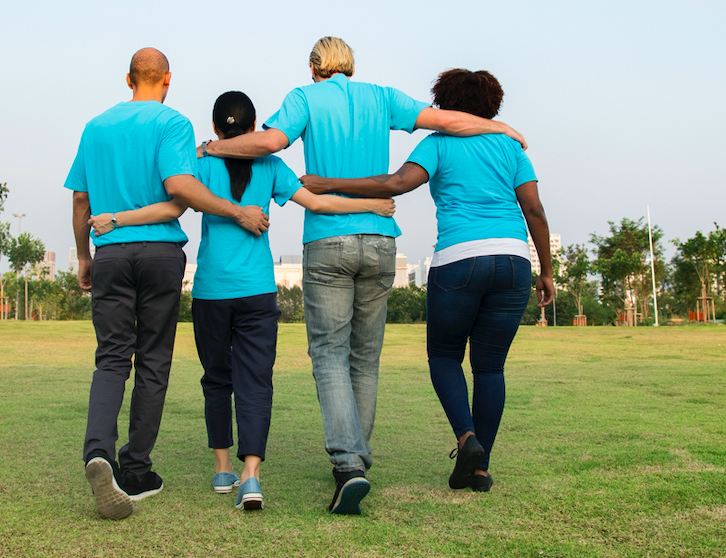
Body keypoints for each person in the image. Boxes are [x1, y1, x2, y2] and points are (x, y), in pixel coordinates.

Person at [199, 37, 527, 514]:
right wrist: (501, 127)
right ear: (350, 64)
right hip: (381, 240)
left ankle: (348, 465)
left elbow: (270, 142)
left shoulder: (304, 98)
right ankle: (357, 459)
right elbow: (447, 119)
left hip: (328, 240)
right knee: (365, 357)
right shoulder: (384, 96)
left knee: (329, 354)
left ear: (315, 65)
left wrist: (213, 146)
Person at [88, 91, 395, 511]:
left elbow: (169, 204)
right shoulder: (270, 165)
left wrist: (116, 218)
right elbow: (319, 203)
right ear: (253, 130)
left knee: (216, 380)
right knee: (256, 381)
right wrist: (373, 206)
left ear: (216, 128)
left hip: (211, 291)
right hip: (257, 292)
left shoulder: (197, 163)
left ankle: (222, 468)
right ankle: (251, 477)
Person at [300, 68, 554, 493]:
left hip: (460, 260)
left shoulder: (438, 144)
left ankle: (466, 438)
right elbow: (536, 211)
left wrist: (329, 183)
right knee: (490, 367)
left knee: (444, 357)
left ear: (446, 103)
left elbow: (395, 184)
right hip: (513, 261)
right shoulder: (511, 148)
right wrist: (545, 270)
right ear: (493, 105)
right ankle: (479, 468)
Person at [64, 49, 268, 520]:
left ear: (129, 78)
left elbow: (80, 198)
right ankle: (136, 470)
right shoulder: (173, 123)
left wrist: (82, 253)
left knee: (112, 357)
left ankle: (99, 452)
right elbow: (179, 188)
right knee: (153, 361)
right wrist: (237, 211)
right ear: (168, 80)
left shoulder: (95, 127)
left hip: (110, 252)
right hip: (159, 254)